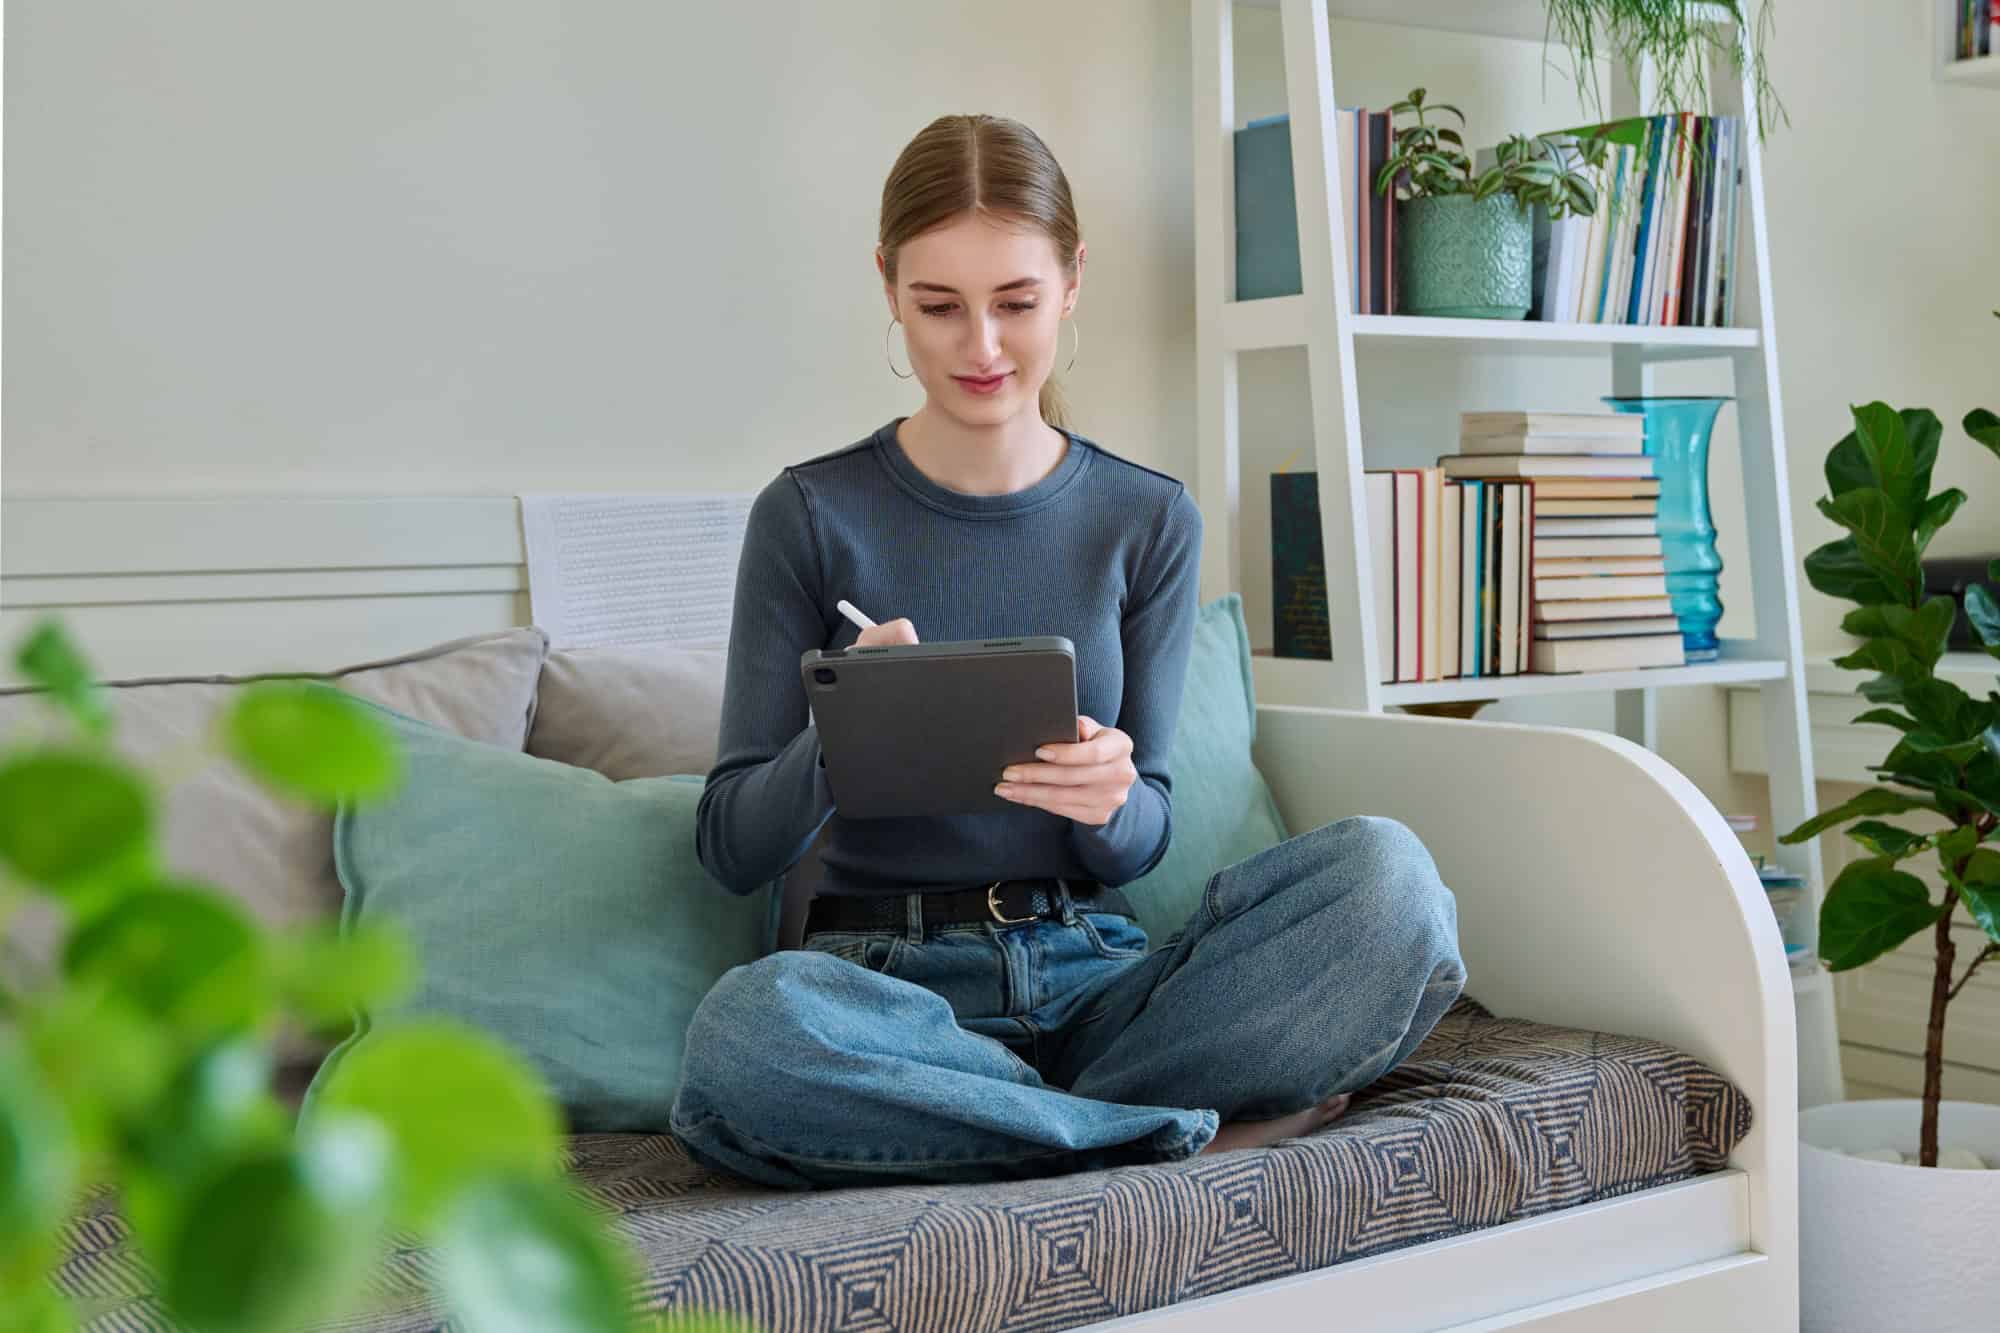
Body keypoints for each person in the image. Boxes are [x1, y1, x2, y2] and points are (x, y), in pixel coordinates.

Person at [671, 113, 1464, 1191]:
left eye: (1015, 303)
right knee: (747, 1035)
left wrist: (1108, 797)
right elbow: (727, 844)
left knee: (1390, 883)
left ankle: (1033, 1118)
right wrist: (838, 731)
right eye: (937, 306)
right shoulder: (810, 515)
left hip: (1096, 983)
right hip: (881, 993)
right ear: (886, 285)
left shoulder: (1146, 519)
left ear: (1072, 282)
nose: (980, 347)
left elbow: (1141, 841)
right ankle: (1147, 1132)